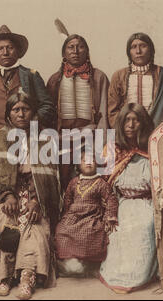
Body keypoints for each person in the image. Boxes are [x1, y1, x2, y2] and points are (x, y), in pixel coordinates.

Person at [0, 92, 62, 300]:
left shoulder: (46, 136)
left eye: (25, 109)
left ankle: (27, 276)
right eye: (15, 109)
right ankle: (4, 276)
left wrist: (37, 200)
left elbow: (50, 175)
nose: (21, 114)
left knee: (34, 225)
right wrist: (7, 196)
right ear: (9, 113)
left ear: (33, 111)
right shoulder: (1, 136)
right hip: (9, 193)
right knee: (4, 222)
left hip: (35, 194)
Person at [99, 103, 158, 293]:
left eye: (136, 120)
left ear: (143, 124)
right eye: (127, 120)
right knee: (119, 230)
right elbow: (102, 182)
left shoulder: (153, 149)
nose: (131, 125)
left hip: (146, 203)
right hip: (120, 203)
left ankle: (140, 275)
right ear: (121, 124)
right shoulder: (112, 150)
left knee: (142, 227)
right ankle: (117, 275)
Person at [47, 29, 110, 191]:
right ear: (64, 53)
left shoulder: (98, 77)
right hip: (63, 138)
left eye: (80, 47)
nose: (75, 51)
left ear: (87, 52)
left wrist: (101, 142)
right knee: (64, 182)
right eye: (70, 47)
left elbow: (103, 111)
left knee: (90, 182)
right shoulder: (55, 80)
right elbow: (49, 114)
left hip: (90, 135)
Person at [0, 25, 56, 135]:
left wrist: (32, 124)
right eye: (0, 49)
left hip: (25, 135)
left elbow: (47, 106)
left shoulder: (31, 76)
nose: (5, 52)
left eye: (10, 47)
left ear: (17, 51)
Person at [55, 150, 118, 277]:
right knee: (61, 230)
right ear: (78, 165)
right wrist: (66, 215)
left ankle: (89, 262)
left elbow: (111, 199)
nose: (88, 163)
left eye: (92, 160)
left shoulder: (101, 183)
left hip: (92, 215)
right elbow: (68, 199)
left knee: (91, 232)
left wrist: (109, 216)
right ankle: (67, 259)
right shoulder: (74, 182)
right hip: (73, 215)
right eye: (84, 160)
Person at [107, 32, 163, 128]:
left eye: (143, 46)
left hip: (157, 130)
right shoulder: (119, 76)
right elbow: (112, 112)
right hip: (127, 132)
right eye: (133, 47)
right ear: (128, 52)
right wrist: (125, 130)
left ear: (151, 50)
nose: (138, 51)